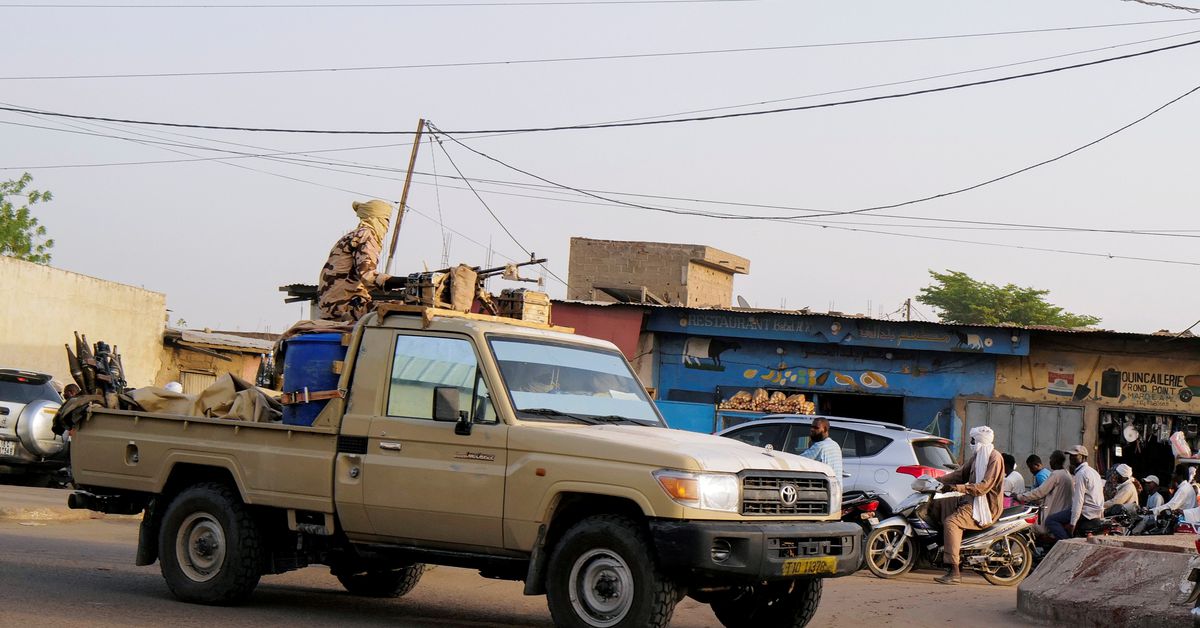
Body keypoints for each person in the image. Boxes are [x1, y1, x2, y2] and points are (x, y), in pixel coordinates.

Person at [928, 425, 1004, 585]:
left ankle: (954, 570)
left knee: (951, 523)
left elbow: (984, 487)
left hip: (984, 506)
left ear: (979, 441)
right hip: (970, 499)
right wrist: (934, 482)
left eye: (972, 440)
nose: (970, 443)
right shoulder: (978, 457)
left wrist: (957, 488)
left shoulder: (994, 458)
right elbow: (960, 474)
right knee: (935, 506)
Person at [316, 199, 394, 322]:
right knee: (401, 308)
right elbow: (368, 276)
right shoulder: (366, 235)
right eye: (385, 220)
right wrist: (407, 282)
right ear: (375, 218)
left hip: (333, 305)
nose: (387, 227)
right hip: (344, 306)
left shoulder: (353, 235)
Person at [1045, 445, 1104, 540]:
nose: (1071, 458)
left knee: (1051, 520)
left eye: (1075, 456)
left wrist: (1073, 523)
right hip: (1096, 511)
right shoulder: (1093, 472)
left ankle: (1066, 544)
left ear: (1083, 457)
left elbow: (1078, 500)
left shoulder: (1081, 474)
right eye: (1070, 456)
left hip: (1086, 512)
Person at [1016, 450, 1073, 536]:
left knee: (1037, 526)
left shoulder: (1056, 475)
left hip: (1055, 510)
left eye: (1051, 460)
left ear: (1055, 461)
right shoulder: (1066, 473)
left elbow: (1040, 492)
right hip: (1063, 508)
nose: (1049, 463)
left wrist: (1020, 497)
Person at [799, 417, 843, 487]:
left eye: (816, 428)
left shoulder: (819, 446)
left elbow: (799, 461)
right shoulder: (835, 445)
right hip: (837, 489)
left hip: (824, 489)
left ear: (825, 429)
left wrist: (810, 447)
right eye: (812, 427)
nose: (812, 430)